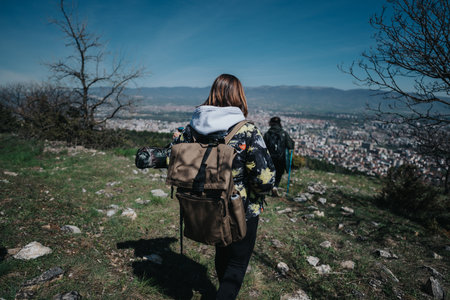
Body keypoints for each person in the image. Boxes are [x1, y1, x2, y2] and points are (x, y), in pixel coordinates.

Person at [172, 74, 275, 299]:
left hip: (204, 206)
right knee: (237, 265)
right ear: (239, 97)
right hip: (241, 211)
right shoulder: (245, 130)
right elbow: (265, 180)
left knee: (222, 253)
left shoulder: (191, 129)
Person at [263, 116, 294, 197]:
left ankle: (269, 186)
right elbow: (290, 146)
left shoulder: (267, 134)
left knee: (270, 173)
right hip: (281, 158)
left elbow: (262, 146)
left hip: (270, 158)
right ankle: (275, 186)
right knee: (279, 173)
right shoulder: (284, 133)